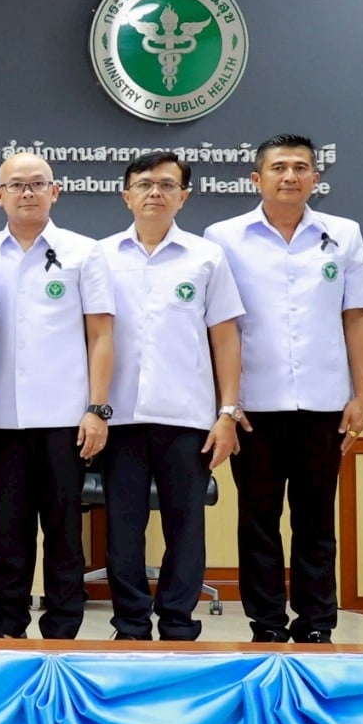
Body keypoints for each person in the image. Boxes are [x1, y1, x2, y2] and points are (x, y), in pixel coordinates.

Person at [207, 133, 363, 644]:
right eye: (278, 167)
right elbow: (217, 327)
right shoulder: (223, 237)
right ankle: (265, 623)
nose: (290, 176)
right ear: (256, 179)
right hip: (253, 407)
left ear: (315, 179)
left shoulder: (343, 234)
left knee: (316, 520)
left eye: (301, 168)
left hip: (324, 404)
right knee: (257, 520)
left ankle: (316, 624)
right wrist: (224, 403)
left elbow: (357, 318)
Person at [101, 149, 245, 642]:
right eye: (144, 184)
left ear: (184, 196)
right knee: (123, 527)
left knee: (186, 526)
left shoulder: (206, 257)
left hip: (188, 418)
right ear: (126, 196)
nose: (155, 193)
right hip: (118, 417)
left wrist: (227, 412)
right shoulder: (100, 257)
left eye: (166, 185)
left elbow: (225, 337)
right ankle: (130, 624)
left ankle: (179, 622)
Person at [0, 153, 115, 641]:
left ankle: (62, 628)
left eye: (38, 184)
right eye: (17, 185)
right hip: (0, 420)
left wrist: (97, 408)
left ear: (55, 192)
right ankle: (8, 627)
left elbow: (101, 335)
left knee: (63, 530)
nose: (28, 193)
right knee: (9, 532)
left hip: (65, 418)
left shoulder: (83, 252)